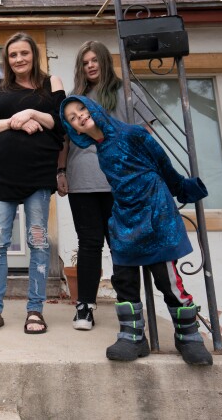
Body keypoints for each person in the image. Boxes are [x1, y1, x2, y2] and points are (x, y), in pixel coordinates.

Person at [61, 95, 213, 365]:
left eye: (81, 109)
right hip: (125, 217)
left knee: (167, 279)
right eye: (73, 118)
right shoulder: (101, 150)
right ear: (75, 130)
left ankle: (188, 337)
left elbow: (163, 165)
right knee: (124, 279)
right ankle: (132, 337)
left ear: (92, 108)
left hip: (155, 212)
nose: (79, 116)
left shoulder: (133, 133)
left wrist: (181, 188)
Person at [56, 40, 155, 331]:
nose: (90, 65)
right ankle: (84, 307)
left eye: (94, 60)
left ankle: (129, 304)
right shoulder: (75, 98)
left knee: (122, 243)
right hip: (82, 181)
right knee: (89, 244)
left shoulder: (127, 91)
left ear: (103, 61)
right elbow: (65, 140)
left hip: (120, 182)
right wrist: (61, 170)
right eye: (85, 62)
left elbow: (145, 132)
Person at [0, 33, 65, 334]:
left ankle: (35, 311)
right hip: (2, 177)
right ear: (7, 59)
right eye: (13, 55)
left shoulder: (52, 84)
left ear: (33, 54)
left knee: (38, 244)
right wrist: (16, 120)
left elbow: (61, 122)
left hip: (38, 178)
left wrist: (32, 113)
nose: (19, 59)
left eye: (24, 53)